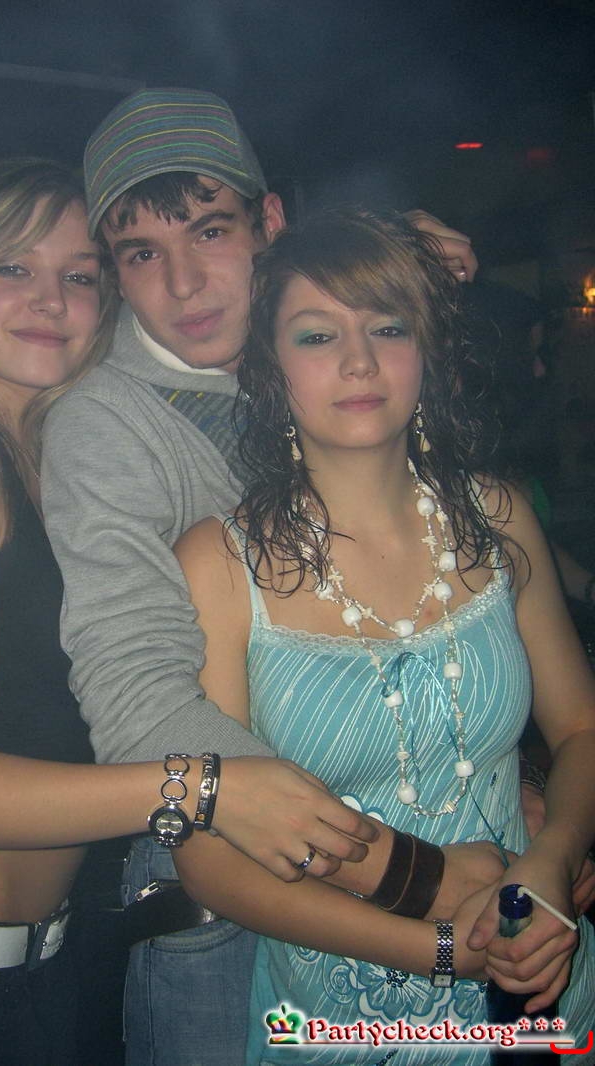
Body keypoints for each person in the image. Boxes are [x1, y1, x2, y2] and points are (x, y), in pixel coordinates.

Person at [0, 157, 345, 1066]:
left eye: (82, 277)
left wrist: (377, 257)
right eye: (13, 268)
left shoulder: (59, 453)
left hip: (48, 963)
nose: (51, 301)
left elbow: (195, 310)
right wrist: (212, 786)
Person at [41, 87, 493, 1066]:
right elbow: (131, 696)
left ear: (269, 222)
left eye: (211, 231)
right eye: (142, 254)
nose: (186, 283)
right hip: (218, 887)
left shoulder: (322, 350)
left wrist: (496, 787)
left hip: (403, 818)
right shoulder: (104, 426)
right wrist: (399, 865)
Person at [173, 208, 595, 1063]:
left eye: (388, 327)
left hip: (544, 988)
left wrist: (552, 859)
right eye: (317, 335)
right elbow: (209, 859)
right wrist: (439, 950)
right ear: (271, 367)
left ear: (427, 351)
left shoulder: (497, 516)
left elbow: (582, 727)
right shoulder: (217, 564)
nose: (359, 361)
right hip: (342, 1025)